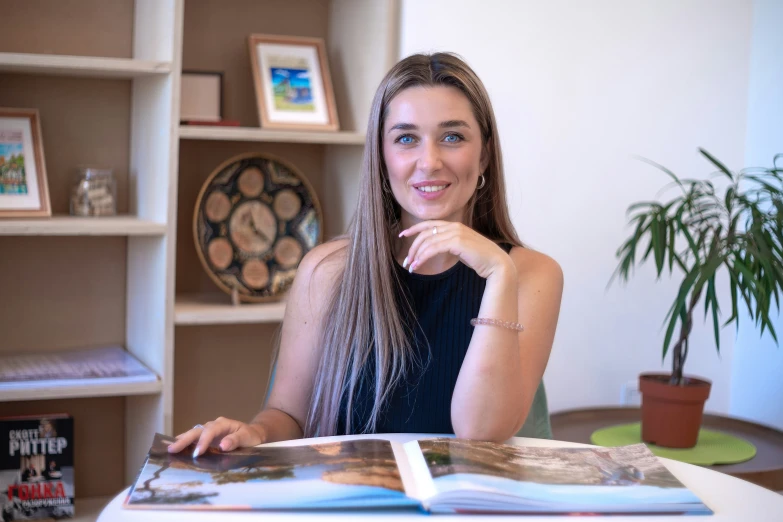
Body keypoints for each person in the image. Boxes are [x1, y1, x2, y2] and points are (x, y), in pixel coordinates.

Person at [168, 52, 563, 458]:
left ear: (482, 155)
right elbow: (287, 413)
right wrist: (252, 433)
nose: (429, 162)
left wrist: (498, 272)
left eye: (452, 137)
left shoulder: (532, 275)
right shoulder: (327, 270)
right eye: (406, 138)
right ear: (381, 156)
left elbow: (480, 433)